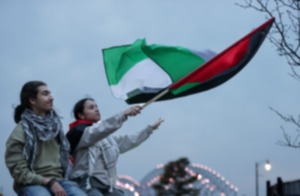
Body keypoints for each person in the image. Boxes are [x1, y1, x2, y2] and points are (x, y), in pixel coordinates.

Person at [66, 98, 164, 196]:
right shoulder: (79, 132)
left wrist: (148, 130)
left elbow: (128, 141)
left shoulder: (106, 139)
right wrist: (123, 114)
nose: (97, 109)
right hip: (86, 184)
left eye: (97, 107)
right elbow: (102, 128)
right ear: (81, 115)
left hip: (108, 187)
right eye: (91, 108)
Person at [5, 81, 87, 196]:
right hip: (32, 182)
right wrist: (48, 181)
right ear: (32, 100)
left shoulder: (56, 127)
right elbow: (18, 171)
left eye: (50, 93)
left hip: (61, 180)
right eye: (45, 94)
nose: (51, 97)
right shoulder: (20, 132)